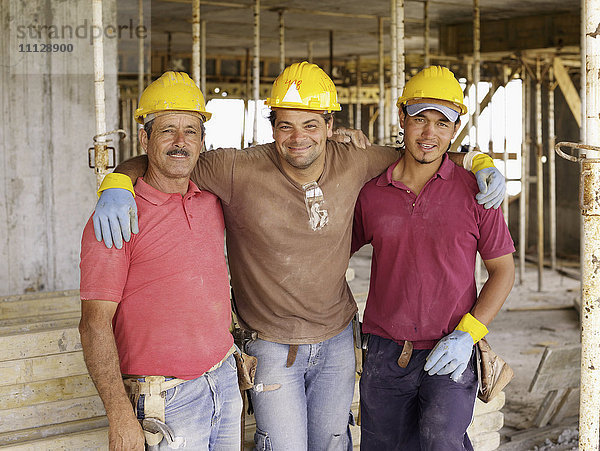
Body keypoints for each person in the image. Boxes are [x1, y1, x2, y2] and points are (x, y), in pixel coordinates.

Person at [90, 62, 506, 451]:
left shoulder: (357, 160)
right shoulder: (236, 169)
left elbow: (424, 153)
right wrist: (116, 181)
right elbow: (166, 159)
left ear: (330, 125)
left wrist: (478, 160)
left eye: (310, 124)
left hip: (338, 340)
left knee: (334, 443)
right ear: (271, 127)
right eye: (285, 125)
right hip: (272, 346)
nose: (298, 137)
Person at [352, 65, 516, 451]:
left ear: (454, 131)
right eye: (420, 119)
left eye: (442, 123)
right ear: (402, 120)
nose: (429, 134)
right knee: (382, 446)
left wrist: (467, 335)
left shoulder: (477, 192)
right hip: (384, 351)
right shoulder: (373, 193)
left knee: (441, 442)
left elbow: (502, 271)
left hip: (452, 346)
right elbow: (332, 252)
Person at [79, 71, 242, 451]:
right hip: (165, 401)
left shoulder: (210, 201)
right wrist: (120, 415)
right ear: (144, 138)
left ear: (203, 141)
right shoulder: (118, 216)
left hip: (223, 382)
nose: (180, 142)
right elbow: (93, 325)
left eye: (191, 130)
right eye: (167, 130)